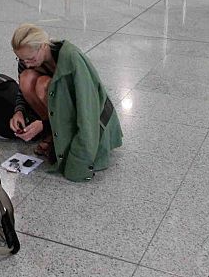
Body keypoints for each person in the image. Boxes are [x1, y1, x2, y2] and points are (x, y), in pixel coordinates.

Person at [8, 24, 123, 182]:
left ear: (43, 46)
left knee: (43, 85)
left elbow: (87, 107)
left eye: (31, 59)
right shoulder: (28, 58)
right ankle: (52, 135)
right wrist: (19, 111)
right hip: (59, 113)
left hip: (90, 116)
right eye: (21, 59)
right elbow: (23, 90)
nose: (26, 64)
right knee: (26, 78)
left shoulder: (71, 58)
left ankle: (53, 132)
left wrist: (44, 125)